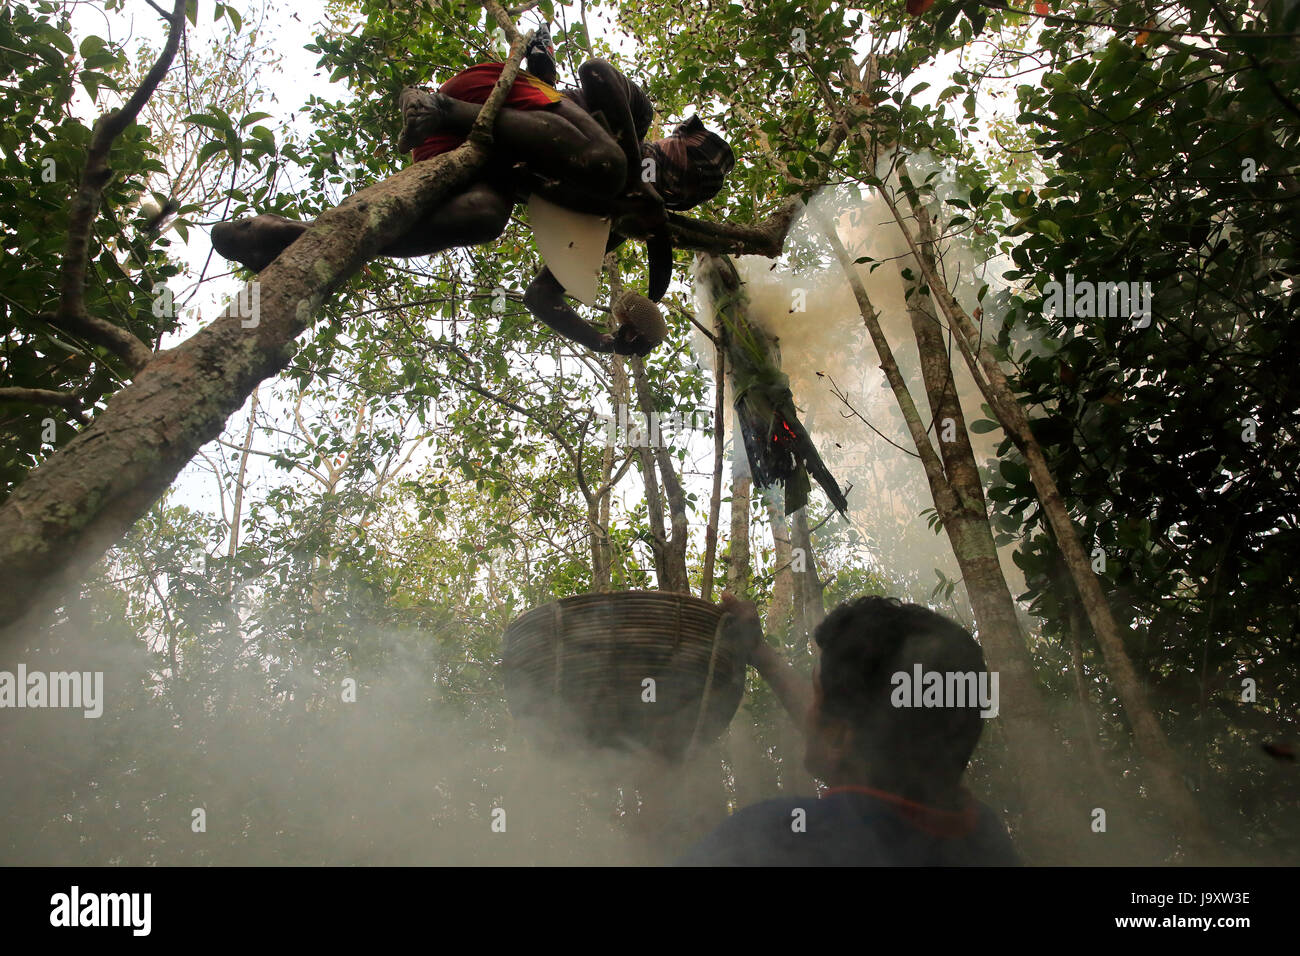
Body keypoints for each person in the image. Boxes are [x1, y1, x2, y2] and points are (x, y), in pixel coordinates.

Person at [211, 28, 734, 357]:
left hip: (466, 157)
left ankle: (296, 237)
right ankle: (435, 106)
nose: (669, 184)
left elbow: (541, 295)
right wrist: (540, 65)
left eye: (680, 191)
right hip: (482, 103)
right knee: (608, 164)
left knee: (485, 218)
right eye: (680, 167)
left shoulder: (614, 224)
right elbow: (595, 72)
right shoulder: (630, 120)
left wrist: (601, 340)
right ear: (673, 140)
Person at [677, 593, 1021, 866]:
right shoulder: (986, 839)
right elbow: (865, 738)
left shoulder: (768, 838)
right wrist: (761, 653)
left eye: (815, 695)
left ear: (839, 735)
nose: (809, 710)